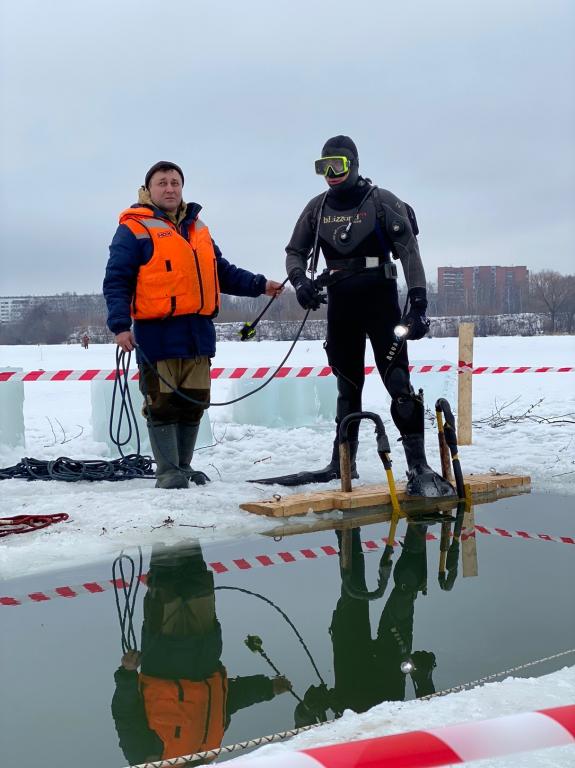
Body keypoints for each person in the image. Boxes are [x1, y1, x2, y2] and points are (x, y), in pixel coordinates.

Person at [282, 135, 453, 496]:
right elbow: (294, 252)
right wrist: (300, 283)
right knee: (347, 387)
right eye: (323, 167)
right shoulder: (317, 208)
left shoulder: (382, 202)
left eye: (338, 165)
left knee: (399, 384)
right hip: (341, 306)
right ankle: (342, 463)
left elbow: (410, 253)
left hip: (381, 303)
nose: (331, 173)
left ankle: (418, 466)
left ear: (354, 164)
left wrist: (419, 305)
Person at [103, 161, 283, 489]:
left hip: (198, 334)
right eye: (162, 183)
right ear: (148, 189)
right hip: (157, 335)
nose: (170, 188)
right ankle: (168, 473)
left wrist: (260, 285)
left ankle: (184, 467)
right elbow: (117, 280)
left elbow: (222, 271)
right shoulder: (133, 228)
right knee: (162, 404)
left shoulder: (198, 228)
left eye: (175, 182)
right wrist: (120, 325)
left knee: (194, 402)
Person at [111, 542, 291, 765]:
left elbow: (125, 716)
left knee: (165, 580)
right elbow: (226, 700)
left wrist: (127, 674)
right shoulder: (208, 756)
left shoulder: (146, 761)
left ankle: (162, 530)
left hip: (165, 655)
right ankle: (187, 529)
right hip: (205, 648)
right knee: (197, 577)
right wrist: (268, 688)